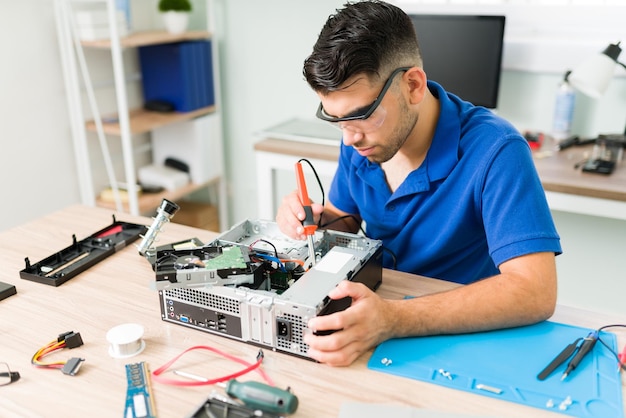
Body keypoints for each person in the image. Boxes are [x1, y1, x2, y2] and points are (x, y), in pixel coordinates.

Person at [276, 0, 562, 366]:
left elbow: (535, 292)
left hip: (456, 339)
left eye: (360, 117)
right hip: (372, 319)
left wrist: (393, 319)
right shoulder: (363, 138)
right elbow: (345, 217)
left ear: (412, 85)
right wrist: (315, 219)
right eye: (337, 121)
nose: (349, 140)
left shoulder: (496, 150)